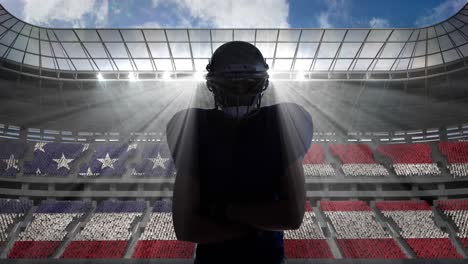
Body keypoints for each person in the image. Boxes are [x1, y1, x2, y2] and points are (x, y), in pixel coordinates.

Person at [166, 41, 313, 264]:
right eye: (231, 85)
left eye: (246, 84)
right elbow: (186, 228)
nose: (238, 91)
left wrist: (224, 211)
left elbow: (292, 215)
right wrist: (255, 225)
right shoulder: (280, 124)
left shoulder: (195, 127)